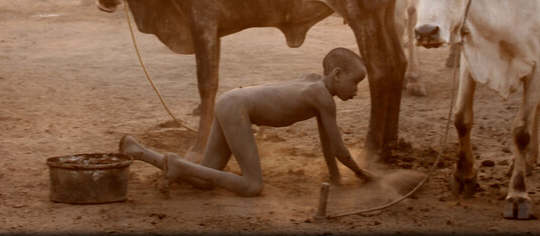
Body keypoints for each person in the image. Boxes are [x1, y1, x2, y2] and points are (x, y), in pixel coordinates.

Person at [119, 47, 376, 197]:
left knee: (203, 180)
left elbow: (328, 144)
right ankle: (176, 163)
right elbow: (340, 149)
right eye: (355, 82)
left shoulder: (314, 84)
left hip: (232, 100)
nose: (356, 90)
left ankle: (138, 151)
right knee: (253, 186)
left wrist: (336, 178)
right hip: (238, 108)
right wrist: (363, 174)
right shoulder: (323, 98)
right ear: (338, 74)